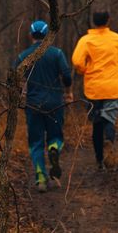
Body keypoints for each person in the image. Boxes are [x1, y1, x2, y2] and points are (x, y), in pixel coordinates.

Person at [72, 12, 118, 169]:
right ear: (108, 21)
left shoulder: (86, 40)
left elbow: (77, 61)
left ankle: (99, 160)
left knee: (96, 124)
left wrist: (85, 70)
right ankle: (109, 138)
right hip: (113, 89)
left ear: (93, 22)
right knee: (109, 119)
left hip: (93, 89)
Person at [15, 20, 73, 192]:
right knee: (56, 136)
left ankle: (41, 178)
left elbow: (14, 79)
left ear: (31, 35)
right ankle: (54, 148)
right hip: (55, 103)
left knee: (36, 142)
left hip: (33, 105)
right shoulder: (57, 53)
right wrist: (68, 92)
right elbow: (67, 77)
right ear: (48, 35)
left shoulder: (23, 56)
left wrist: (21, 94)